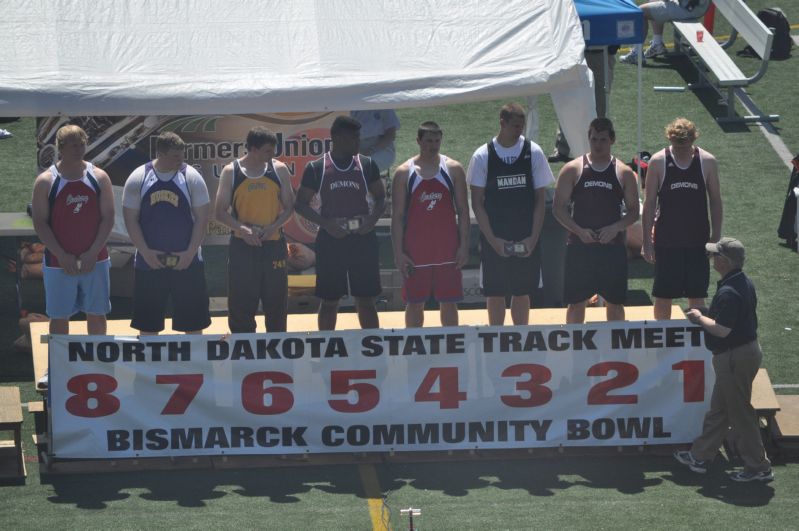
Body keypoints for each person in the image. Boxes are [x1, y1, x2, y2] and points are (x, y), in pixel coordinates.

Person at [675, 237, 773, 482]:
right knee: (720, 409)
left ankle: (759, 467)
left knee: (740, 414)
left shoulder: (729, 291)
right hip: (741, 353)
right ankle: (700, 456)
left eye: (714, 255)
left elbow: (722, 330)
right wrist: (709, 314)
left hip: (734, 357)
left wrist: (699, 317)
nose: (711, 259)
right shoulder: (741, 282)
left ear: (724, 261)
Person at [32, 125, 114, 388]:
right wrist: (62, 254)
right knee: (59, 317)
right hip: (58, 262)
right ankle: (56, 368)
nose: (79, 150)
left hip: (95, 259)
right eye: (73, 146)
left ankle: (98, 365)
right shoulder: (47, 181)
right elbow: (40, 223)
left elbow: (108, 218)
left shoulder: (98, 177)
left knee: (97, 314)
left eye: (82, 144)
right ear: (61, 147)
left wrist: (92, 252)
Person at [295, 115, 386, 331]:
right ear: (336, 138)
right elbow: (300, 204)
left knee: (365, 300)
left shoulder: (366, 164)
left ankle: (372, 344)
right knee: (329, 301)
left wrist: (371, 221)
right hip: (331, 240)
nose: (357, 142)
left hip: (362, 239)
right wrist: (326, 224)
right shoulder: (316, 167)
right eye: (353, 138)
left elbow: (381, 198)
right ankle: (326, 348)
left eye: (358, 137)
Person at [467, 102, 554, 326]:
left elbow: (539, 200)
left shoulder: (533, 152)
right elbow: (477, 203)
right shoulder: (482, 156)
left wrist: (532, 239)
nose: (519, 131)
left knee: (522, 291)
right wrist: (493, 240)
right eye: (515, 126)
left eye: (522, 126)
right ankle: (497, 337)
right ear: (502, 123)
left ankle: (520, 337)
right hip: (495, 235)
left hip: (525, 234)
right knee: (495, 292)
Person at [122, 132, 211, 335]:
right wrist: (145, 252)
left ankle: (194, 367)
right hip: (149, 262)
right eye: (175, 156)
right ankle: (149, 366)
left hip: (187, 263)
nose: (180, 160)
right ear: (160, 154)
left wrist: (189, 253)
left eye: (182, 155)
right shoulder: (139, 177)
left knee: (194, 327)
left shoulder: (191, 177)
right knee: (147, 328)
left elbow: (202, 220)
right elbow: (130, 220)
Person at [553, 118, 640, 323]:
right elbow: (558, 209)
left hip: (612, 248)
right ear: (588, 138)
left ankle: (616, 349)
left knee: (615, 304)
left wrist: (615, 228)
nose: (598, 145)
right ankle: (574, 347)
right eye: (594, 139)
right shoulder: (573, 169)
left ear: (612, 140)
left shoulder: (624, 172)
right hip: (579, 247)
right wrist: (579, 231)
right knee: (576, 303)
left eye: (602, 140)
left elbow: (634, 212)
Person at [214, 127, 295, 333]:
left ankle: (277, 350)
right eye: (268, 151)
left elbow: (289, 208)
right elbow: (220, 212)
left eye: (273, 150)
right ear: (252, 149)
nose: (272, 155)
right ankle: (244, 354)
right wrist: (243, 230)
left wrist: (273, 227)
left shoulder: (279, 169)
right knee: (241, 303)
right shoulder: (231, 172)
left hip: (273, 244)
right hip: (243, 246)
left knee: (276, 302)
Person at [391, 121, 470, 327]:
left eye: (437, 141)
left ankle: (453, 347)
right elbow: (397, 216)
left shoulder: (453, 169)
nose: (433, 145)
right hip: (416, 252)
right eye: (428, 141)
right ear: (418, 141)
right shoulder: (403, 173)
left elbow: (463, 211)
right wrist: (398, 253)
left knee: (449, 303)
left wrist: (463, 246)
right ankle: (414, 349)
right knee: (415, 303)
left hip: (447, 250)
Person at [642, 118, 722, 320]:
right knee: (663, 295)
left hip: (698, 242)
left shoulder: (707, 161)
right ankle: (663, 342)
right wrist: (647, 242)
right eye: (677, 146)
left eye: (685, 146)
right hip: (667, 241)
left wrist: (716, 236)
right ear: (670, 139)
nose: (681, 150)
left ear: (693, 140)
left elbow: (715, 200)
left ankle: (697, 343)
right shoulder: (659, 161)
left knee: (697, 297)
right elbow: (649, 203)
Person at [549, 46, 618, 163]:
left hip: (601, 53)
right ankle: (562, 149)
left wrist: (614, 46)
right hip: (574, 53)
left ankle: (598, 149)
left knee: (599, 104)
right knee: (568, 102)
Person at [619, 0, 711, 64]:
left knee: (640, 12)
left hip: (689, 9)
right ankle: (657, 44)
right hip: (697, 6)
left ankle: (637, 53)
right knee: (654, 2)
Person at [350, 110, 400, 174]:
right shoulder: (349, 105)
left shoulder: (384, 106)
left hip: (381, 147)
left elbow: (391, 135)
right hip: (354, 147)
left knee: (362, 166)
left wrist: (372, 150)